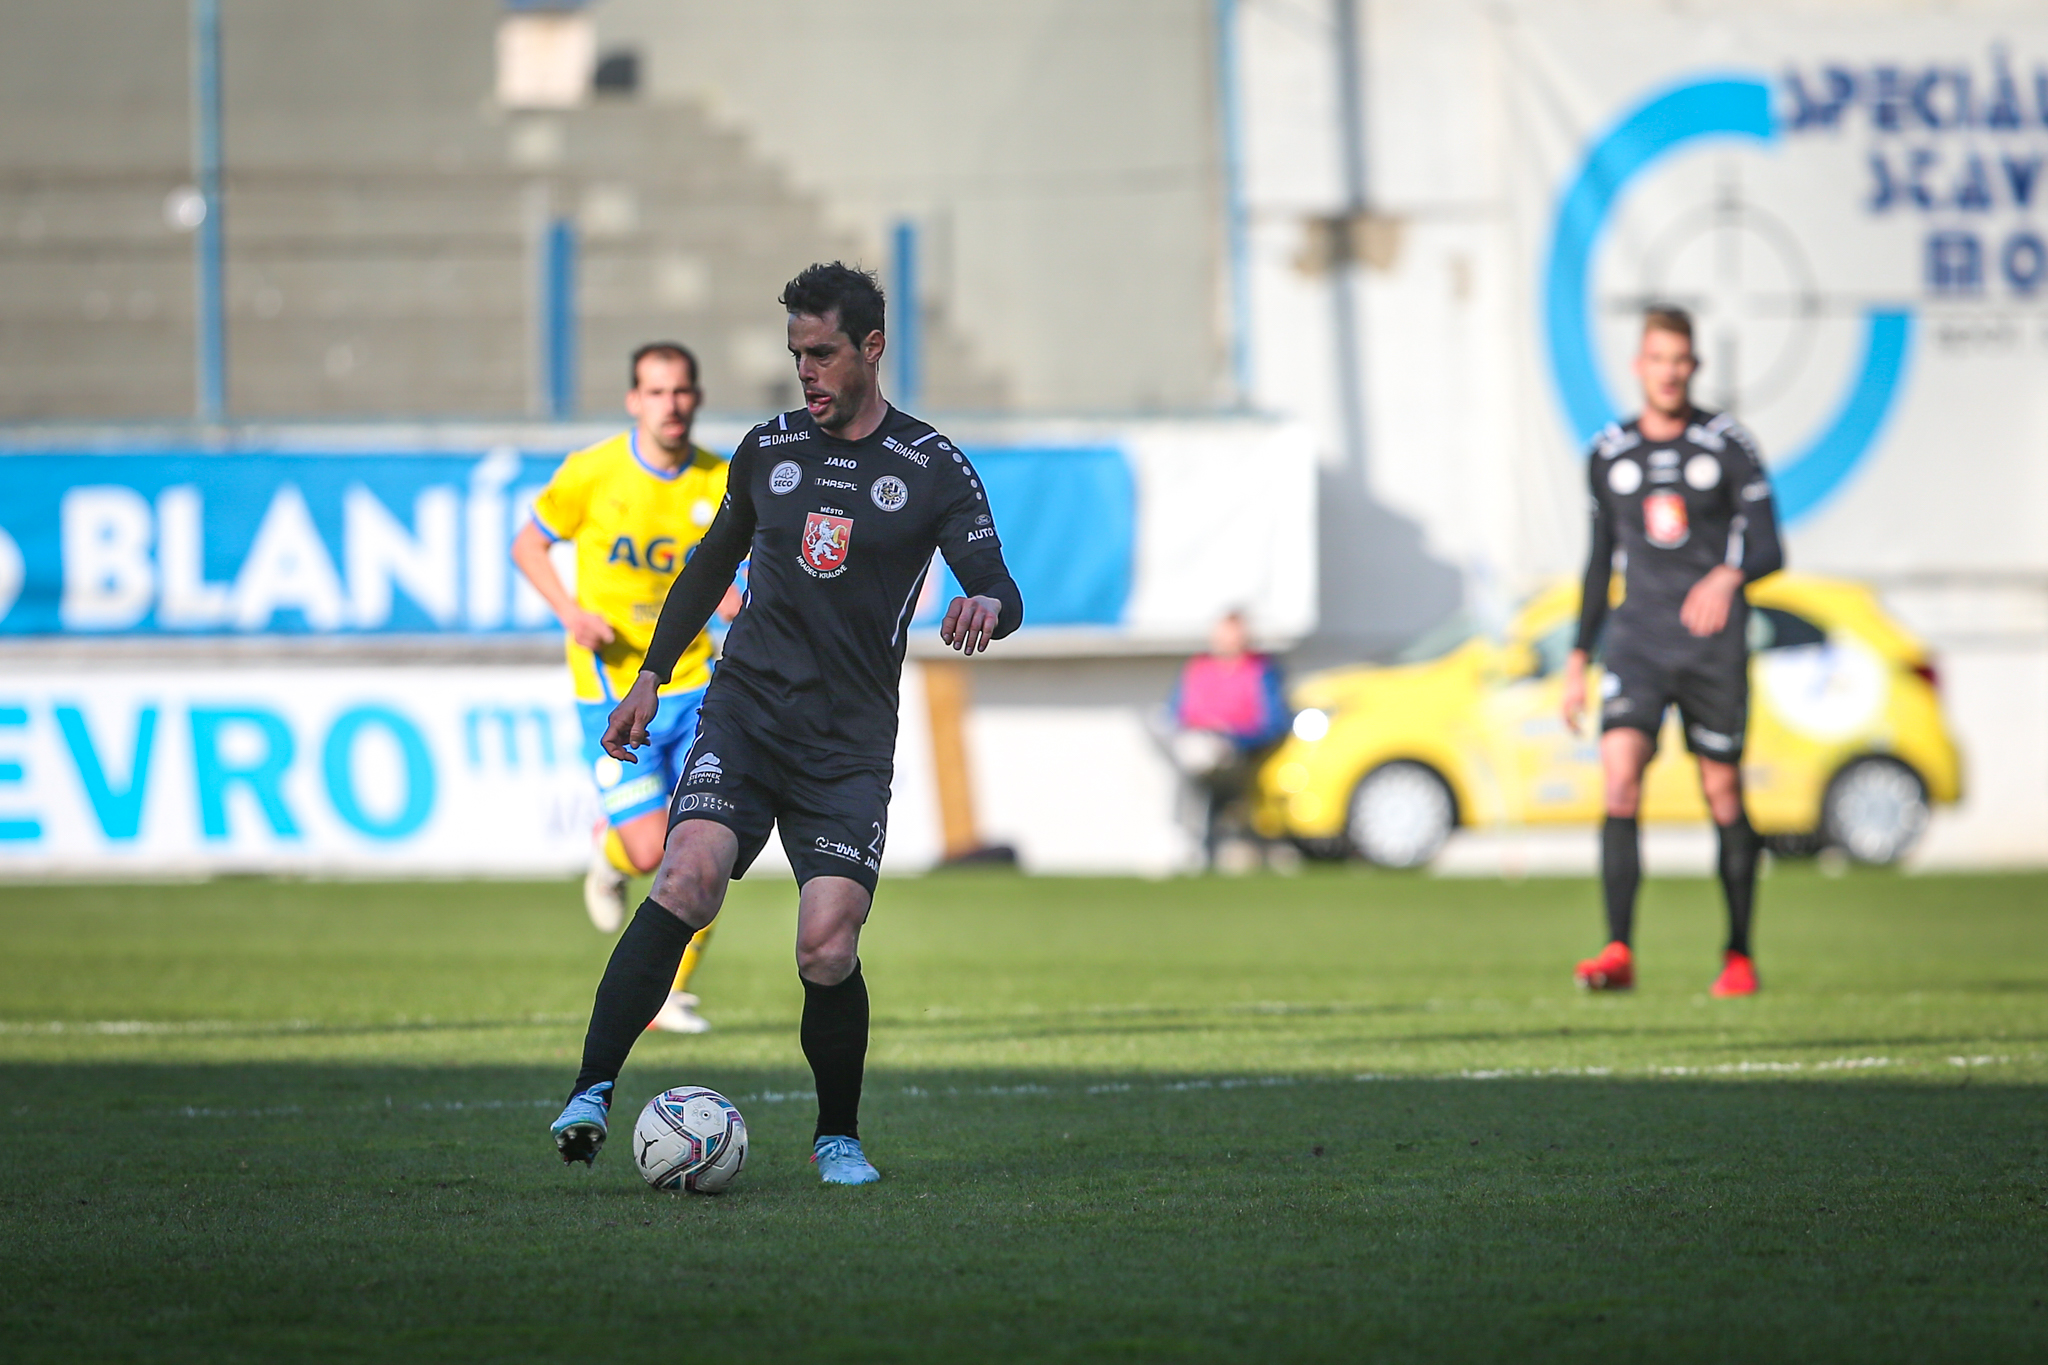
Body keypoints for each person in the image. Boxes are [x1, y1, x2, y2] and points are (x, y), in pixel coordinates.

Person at [549, 262, 1023, 1184]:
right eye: (796, 352)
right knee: (685, 877)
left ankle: (837, 1135)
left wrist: (986, 607)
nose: (806, 369)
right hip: (747, 713)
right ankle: (591, 1091)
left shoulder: (932, 466)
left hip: (848, 745)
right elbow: (706, 566)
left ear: (871, 348)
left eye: (823, 352)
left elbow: (999, 582)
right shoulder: (767, 450)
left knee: (827, 941)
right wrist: (649, 678)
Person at [510, 342, 741, 1034]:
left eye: (682, 391)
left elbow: (740, 570)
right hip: (612, 686)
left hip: (695, 683)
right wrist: (570, 612)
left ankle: (670, 994)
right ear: (634, 400)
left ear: (697, 398)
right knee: (647, 852)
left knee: (707, 842)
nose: (672, 404)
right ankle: (609, 854)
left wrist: (735, 596)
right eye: (657, 391)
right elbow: (528, 545)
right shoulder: (592, 472)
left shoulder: (722, 479)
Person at [1560, 306, 1784, 997]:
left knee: (1721, 788)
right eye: (1657, 358)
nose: (1669, 372)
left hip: (1712, 648)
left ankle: (1738, 953)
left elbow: (1770, 547)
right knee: (1619, 775)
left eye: (1680, 360)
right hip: (1638, 642)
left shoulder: (1727, 444)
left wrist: (1728, 575)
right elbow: (1599, 561)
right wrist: (1577, 658)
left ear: (1694, 366)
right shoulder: (1609, 452)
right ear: (1639, 365)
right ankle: (1618, 949)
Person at [1165, 611, 1291, 867]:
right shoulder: (1199, 668)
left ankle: (1205, 840)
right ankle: (1184, 837)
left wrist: (1233, 737)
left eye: (1234, 635)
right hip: (1197, 748)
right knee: (1192, 759)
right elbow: (1175, 714)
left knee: (1207, 768)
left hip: (1242, 754)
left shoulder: (1260, 670)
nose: (1227, 641)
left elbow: (1274, 723)